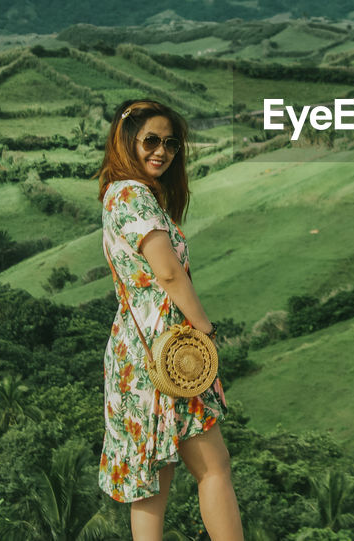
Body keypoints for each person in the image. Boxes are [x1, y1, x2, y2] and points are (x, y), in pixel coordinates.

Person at [96, 99, 244, 540]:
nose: (163, 151)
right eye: (152, 141)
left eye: (172, 143)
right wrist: (205, 329)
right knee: (213, 467)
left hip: (133, 353)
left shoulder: (116, 194)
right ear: (127, 141)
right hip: (169, 354)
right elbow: (167, 271)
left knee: (150, 483)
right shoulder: (134, 195)